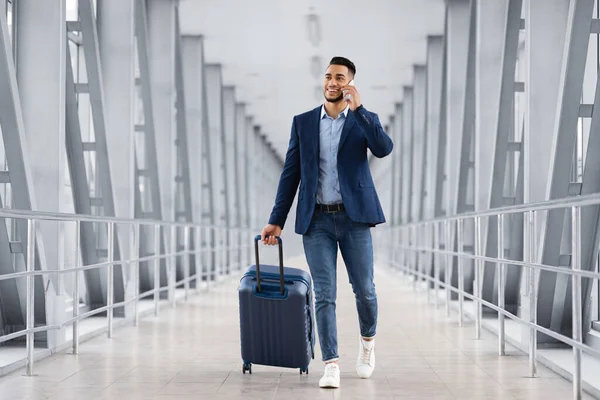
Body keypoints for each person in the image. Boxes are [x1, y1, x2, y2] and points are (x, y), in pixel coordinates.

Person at [260, 56, 393, 389]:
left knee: (364, 290)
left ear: (350, 83)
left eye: (340, 78)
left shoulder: (363, 121)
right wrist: (276, 220)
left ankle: (367, 342)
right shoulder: (304, 123)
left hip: (355, 219)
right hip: (316, 219)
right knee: (324, 294)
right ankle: (331, 363)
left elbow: (383, 148)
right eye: (329, 76)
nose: (333, 82)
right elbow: (290, 174)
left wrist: (360, 110)